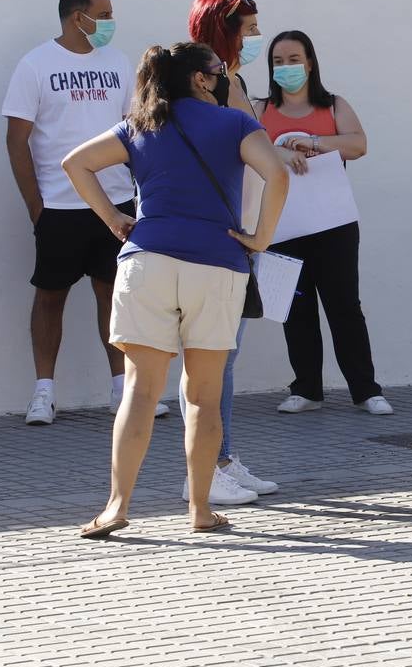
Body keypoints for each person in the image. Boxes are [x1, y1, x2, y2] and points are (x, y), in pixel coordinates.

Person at [62, 42, 288, 538]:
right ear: (202, 79)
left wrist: (114, 218)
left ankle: (117, 507)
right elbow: (277, 173)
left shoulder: (139, 124)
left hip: (147, 260)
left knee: (140, 392)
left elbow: (75, 164)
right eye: (217, 72)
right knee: (204, 396)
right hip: (218, 262)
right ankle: (201, 509)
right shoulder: (235, 124)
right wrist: (261, 238)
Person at [2, 0, 168, 424]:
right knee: (50, 297)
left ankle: (122, 389)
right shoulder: (36, 65)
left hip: (115, 203)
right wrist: (37, 207)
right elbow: (17, 142)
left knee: (115, 294)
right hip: (58, 207)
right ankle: (43, 392)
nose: (111, 21)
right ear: (79, 16)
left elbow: (136, 132)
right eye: (105, 12)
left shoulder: (116, 63)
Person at [254, 30, 392, 416]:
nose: (286, 68)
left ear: (310, 62)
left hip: (333, 223)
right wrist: (279, 152)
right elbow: (247, 147)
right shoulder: (259, 108)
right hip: (280, 223)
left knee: (344, 305)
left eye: (294, 59)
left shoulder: (333, 105)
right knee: (295, 307)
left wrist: (314, 142)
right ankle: (307, 389)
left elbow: (358, 144)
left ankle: (366, 389)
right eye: (278, 61)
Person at [182, 0, 277, 504]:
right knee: (213, 356)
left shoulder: (232, 81)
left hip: (241, 231)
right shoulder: (208, 85)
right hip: (223, 233)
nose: (256, 37)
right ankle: (204, 467)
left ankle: (221, 455)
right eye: (249, 28)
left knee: (227, 354)